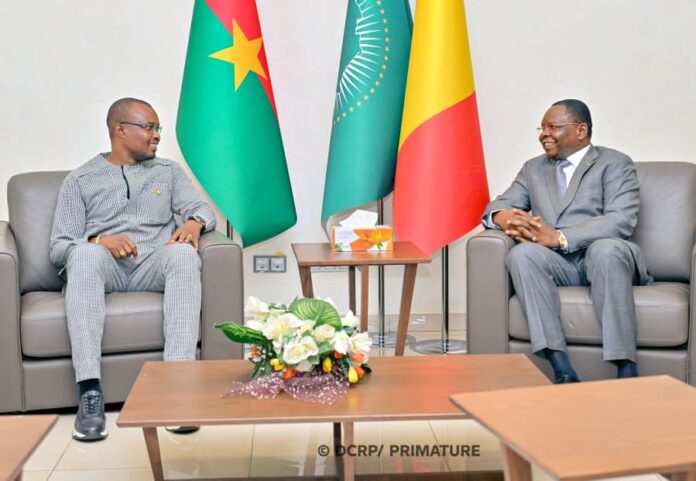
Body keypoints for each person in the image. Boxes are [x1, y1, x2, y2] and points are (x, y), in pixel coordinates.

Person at [50, 97, 216, 441]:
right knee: (84, 255)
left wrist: (195, 223)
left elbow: (202, 208)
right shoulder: (80, 180)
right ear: (120, 130)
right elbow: (58, 248)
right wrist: (99, 240)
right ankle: (90, 394)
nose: (157, 135)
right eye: (149, 127)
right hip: (104, 268)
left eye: (158, 128)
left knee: (184, 254)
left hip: (152, 264)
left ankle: (178, 389)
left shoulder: (168, 172)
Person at [482, 99, 652, 384]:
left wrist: (560, 237)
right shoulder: (533, 169)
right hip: (560, 264)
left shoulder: (615, 163)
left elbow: (621, 219)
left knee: (606, 249)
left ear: (581, 130)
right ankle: (561, 367)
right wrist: (503, 217)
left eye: (553, 127)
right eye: (542, 128)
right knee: (522, 254)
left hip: (606, 259)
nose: (544, 134)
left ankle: (626, 368)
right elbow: (498, 205)